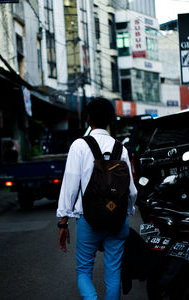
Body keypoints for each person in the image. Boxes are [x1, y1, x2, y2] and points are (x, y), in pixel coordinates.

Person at [57, 97, 137, 300]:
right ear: (110, 119)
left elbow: (70, 185)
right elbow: (131, 191)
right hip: (117, 221)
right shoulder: (121, 148)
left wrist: (63, 221)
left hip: (88, 219)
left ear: (88, 118)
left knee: (84, 270)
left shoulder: (79, 146)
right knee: (113, 273)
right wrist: (125, 212)